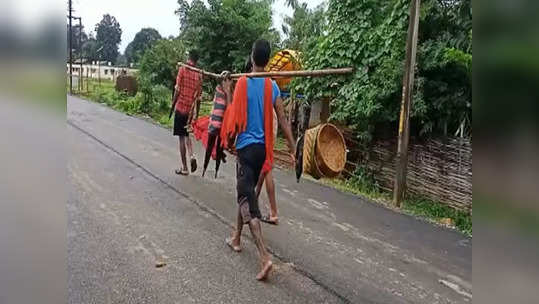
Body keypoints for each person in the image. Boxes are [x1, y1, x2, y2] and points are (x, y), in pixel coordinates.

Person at [222, 40, 295, 281]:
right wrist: (294, 146)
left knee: (247, 202)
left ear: (252, 57)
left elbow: (233, 114)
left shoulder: (243, 82)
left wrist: (227, 89)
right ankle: (236, 238)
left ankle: (264, 258)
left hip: (246, 149)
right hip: (262, 150)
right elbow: (283, 120)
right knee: (248, 193)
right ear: (267, 59)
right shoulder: (272, 86)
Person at [172, 50, 202, 176]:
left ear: (189, 57)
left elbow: (177, 90)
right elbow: (199, 97)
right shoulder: (199, 74)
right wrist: (197, 114)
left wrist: (173, 104)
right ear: (197, 60)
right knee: (187, 134)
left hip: (180, 108)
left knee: (181, 137)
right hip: (190, 111)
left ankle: (184, 167)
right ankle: (192, 155)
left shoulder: (183, 69)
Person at [202, 72, 233, 178]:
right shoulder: (218, 90)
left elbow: (230, 107)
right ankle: (205, 169)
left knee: (219, 149)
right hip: (214, 124)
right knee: (209, 148)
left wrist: (228, 90)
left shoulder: (228, 93)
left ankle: (215, 171)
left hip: (221, 127)